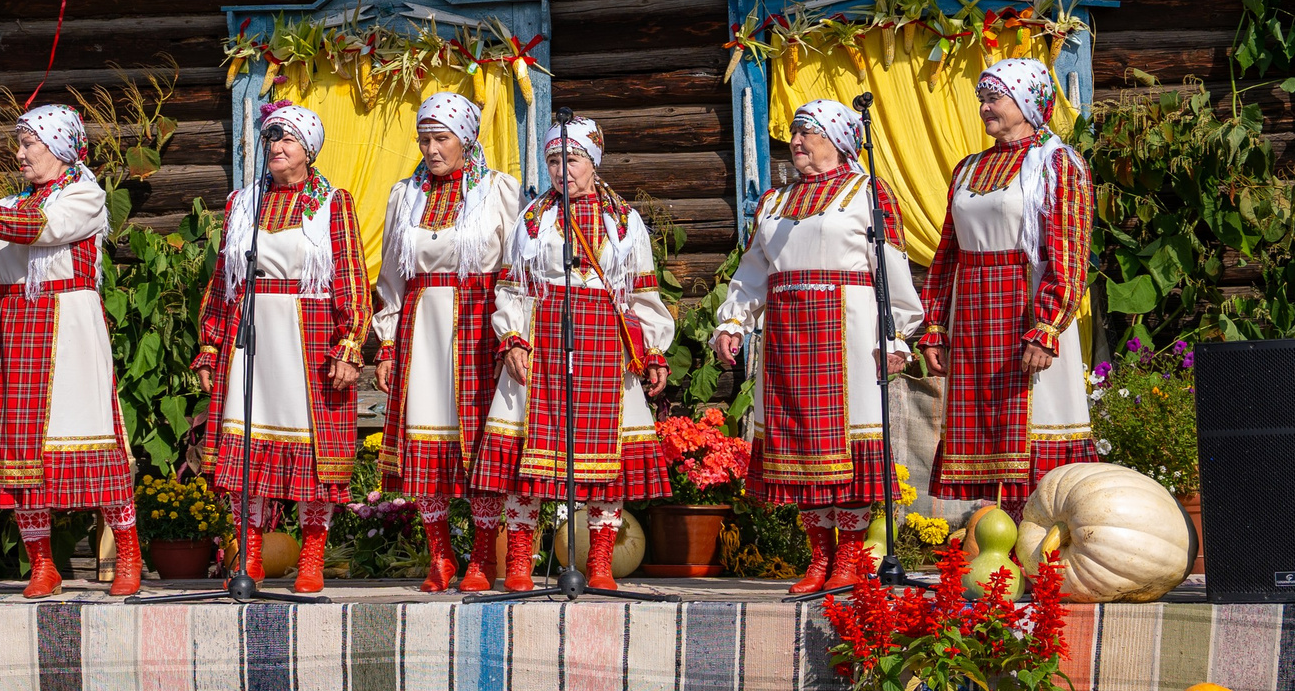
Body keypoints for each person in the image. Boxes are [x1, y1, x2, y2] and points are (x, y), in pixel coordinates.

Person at [0, 106, 138, 597]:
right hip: (17, 325)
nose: (18, 154)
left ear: (58, 148)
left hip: (69, 325)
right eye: (19, 144)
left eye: (28, 144)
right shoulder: (11, 203)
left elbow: (42, 228)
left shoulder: (85, 195)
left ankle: (128, 554)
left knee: (89, 435)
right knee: (23, 450)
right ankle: (43, 564)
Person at [712, 100, 925, 593]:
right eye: (794, 132)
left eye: (809, 132)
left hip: (848, 332)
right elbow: (753, 273)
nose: (798, 141)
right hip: (789, 334)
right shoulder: (774, 202)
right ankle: (817, 559)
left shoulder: (866, 192)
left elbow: (888, 266)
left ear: (838, 137)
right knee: (802, 444)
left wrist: (894, 335)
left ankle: (849, 560)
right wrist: (734, 323)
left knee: (848, 444)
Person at [469, 117, 673, 592]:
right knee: (527, 458)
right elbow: (513, 285)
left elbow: (642, 294)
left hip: (606, 344)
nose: (562, 170)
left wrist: (655, 351)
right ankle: (520, 561)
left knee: (606, 462)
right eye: (554, 160)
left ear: (593, 161)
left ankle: (600, 563)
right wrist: (513, 337)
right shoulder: (534, 218)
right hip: (543, 341)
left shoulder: (624, 220)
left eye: (572, 159)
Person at [190, 103, 372, 594]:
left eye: (287, 139)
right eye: (271, 139)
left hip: (307, 337)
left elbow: (352, 276)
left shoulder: (333, 201)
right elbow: (223, 282)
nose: (275, 147)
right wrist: (211, 344)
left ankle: (311, 557)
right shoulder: (242, 204)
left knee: (314, 453)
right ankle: (248, 556)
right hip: (251, 336)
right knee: (247, 447)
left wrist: (350, 342)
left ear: (308, 151)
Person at [916, 58, 1101, 515]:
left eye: (994, 97)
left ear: (1025, 101)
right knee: (983, 423)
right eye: (982, 98)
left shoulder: (1057, 162)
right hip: (975, 309)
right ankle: (998, 535)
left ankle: (1040, 535)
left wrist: (1048, 325)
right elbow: (947, 254)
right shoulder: (967, 168)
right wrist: (935, 325)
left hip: (1025, 306)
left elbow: (1070, 248)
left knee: (1035, 416)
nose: (985, 108)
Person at [372, 91, 523, 592]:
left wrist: (511, 333)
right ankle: (440, 555)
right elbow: (392, 278)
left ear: (467, 138)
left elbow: (513, 270)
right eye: (424, 139)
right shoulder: (405, 196)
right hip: (422, 325)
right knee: (426, 439)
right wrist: (389, 344)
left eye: (442, 139)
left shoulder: (499, 190)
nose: (432, 149)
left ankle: (483, 556)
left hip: (478, 325)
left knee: (480, 445)